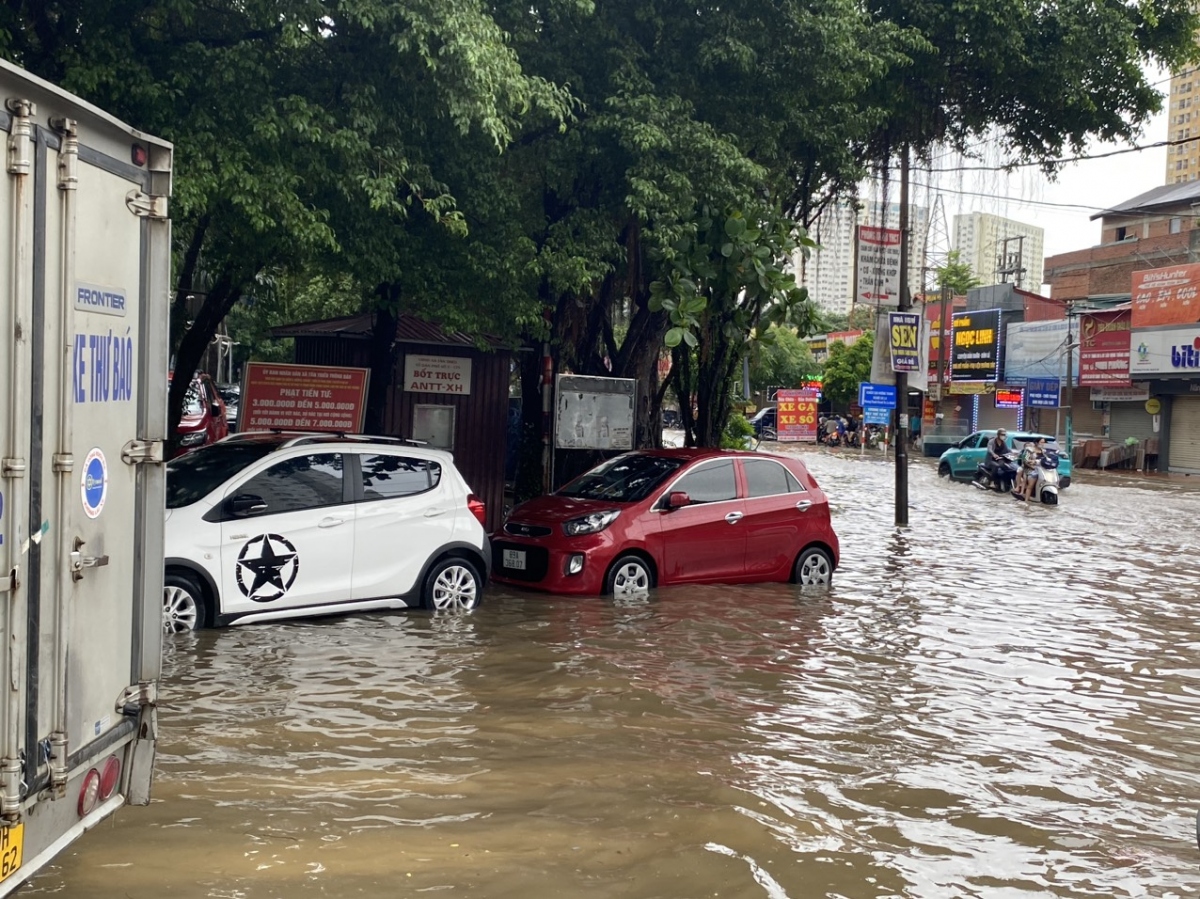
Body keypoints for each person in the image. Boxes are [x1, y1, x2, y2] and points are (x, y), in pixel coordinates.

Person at [1017, 437, 1047, 502]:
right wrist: (1032, 466)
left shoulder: (1044, 451)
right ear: (1036, 442)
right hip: (1030, 469)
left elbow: (1047, 460)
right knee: (1030, 486)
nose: (1043, 444)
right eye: (1041, 442)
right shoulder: (1029, 450)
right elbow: (1025, 460)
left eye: (1044, 442)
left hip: (1041, 470)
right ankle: (1026, 500)